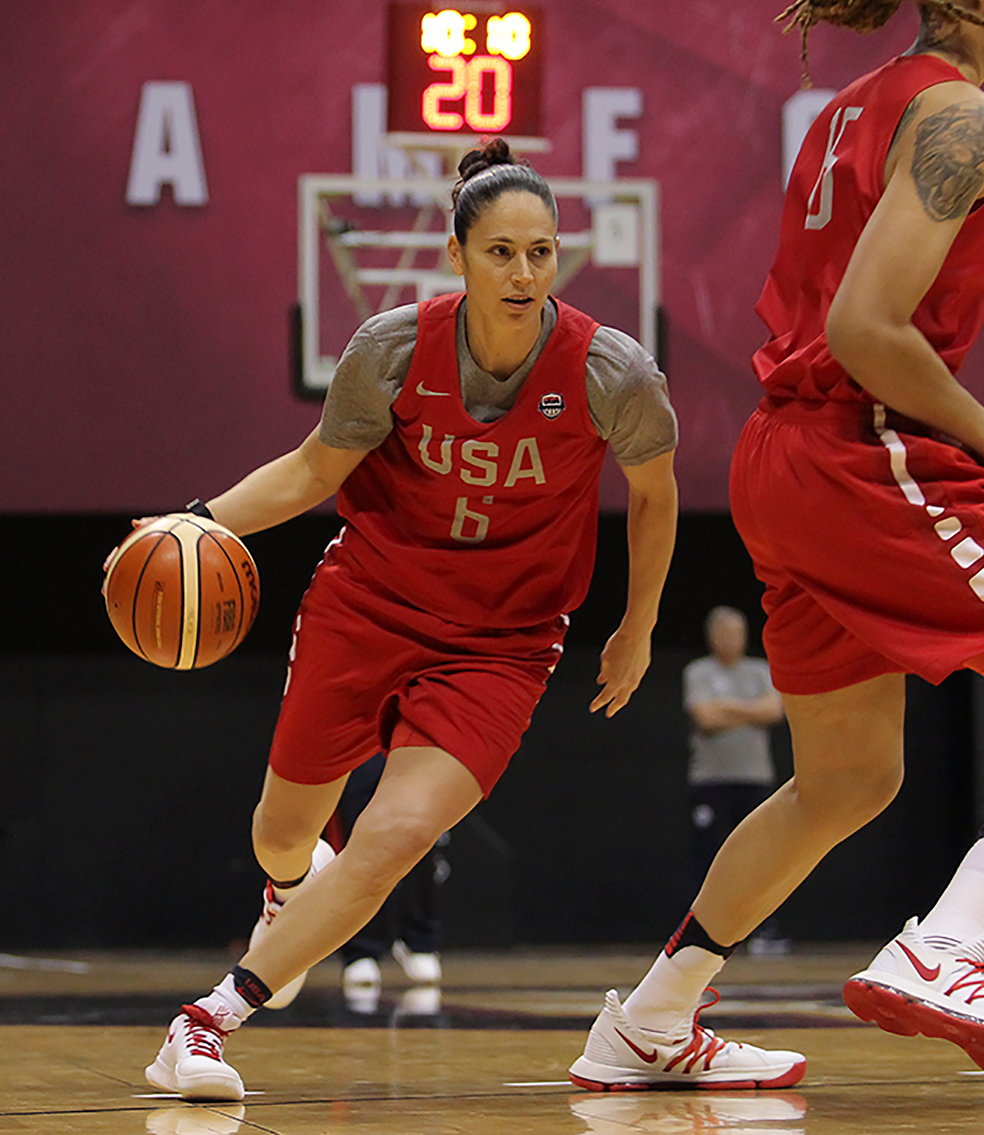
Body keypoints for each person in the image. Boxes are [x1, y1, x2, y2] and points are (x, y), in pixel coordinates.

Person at [571, 0, 984, 1094]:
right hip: (864, 453)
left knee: (847, 781)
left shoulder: (852, 105)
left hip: (780, 460)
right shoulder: (959, 117)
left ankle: (649, 1020)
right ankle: (952, 947)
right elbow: (866, 328)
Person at [136, 138, 681, 1101]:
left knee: (392, 838)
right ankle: (287, 892)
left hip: (502, 646)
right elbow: (311, 474)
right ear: (458, 255)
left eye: (542, 251)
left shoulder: (612, 371)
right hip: (370, 605)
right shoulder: (391, 348)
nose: (523, 272)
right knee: (281, 832)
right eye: (502, 251)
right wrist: (200, 518)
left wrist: (637, 625)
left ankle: (204, 1024)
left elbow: (654, 495)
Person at [683, 607, 788, 952]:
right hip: (710, 780)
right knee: (711, 855)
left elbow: (773, 710)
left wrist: (726, 707)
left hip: (754, 777)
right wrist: (748, 710)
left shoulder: (759, 670)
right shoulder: (698, 672)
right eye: (724, 633)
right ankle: (705, 934)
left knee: (760, 857)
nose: (731, 640)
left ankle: (763, 931)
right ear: (712, 636)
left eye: (737, 632)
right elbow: (705, 717)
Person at [327, 753, 445, 1012]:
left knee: (421, 834)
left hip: (417, 734)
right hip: (361, 736)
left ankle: (418, 940)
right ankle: (361, 950)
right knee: (360, 838)